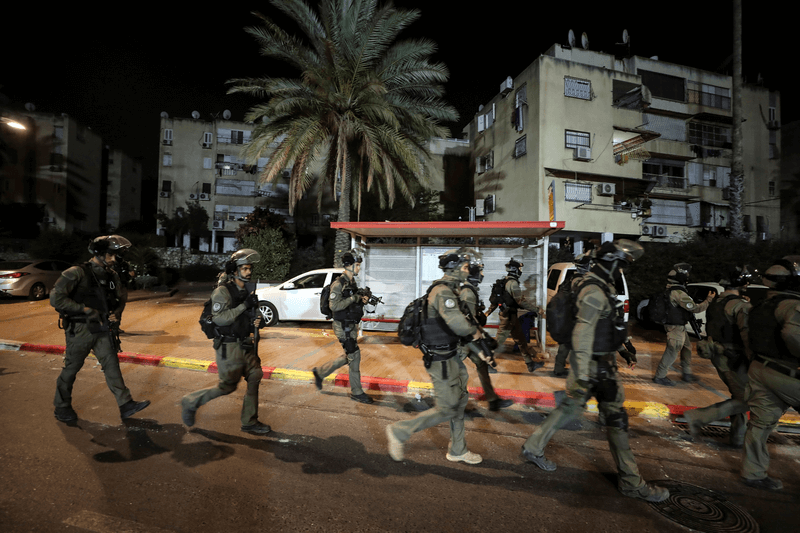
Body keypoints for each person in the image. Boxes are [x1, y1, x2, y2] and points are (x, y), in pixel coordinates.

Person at [521, 240, 669, 503]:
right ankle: (631, 482)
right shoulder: (594, 291)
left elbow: (606, 327)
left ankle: (533, 447)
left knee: (573, 409)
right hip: (594, 367)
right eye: (621, 266)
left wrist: (623, 351)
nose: (622, 272)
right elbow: (583, 334)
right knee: (614, 419)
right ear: (611, 264)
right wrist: (582, 375)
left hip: (600, 363)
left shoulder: (597, 286)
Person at [386, 249, 492, 464]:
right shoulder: (442, 292)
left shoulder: (453, 291)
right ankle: (399, 431)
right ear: (453, 269)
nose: (468, 271)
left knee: (460, 402)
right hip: (440, 360)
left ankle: (458, 450)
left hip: (452, 357)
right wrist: (476, 332)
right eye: (465, 267)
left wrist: (481, 350)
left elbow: (461, 327)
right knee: (446, 409)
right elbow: (459, 325)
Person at [51, 235, 150, 422]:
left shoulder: (111, 275)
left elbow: (120, 297)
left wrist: (116, 313)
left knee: (111, 364)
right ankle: (61, 406)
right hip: (80, 329)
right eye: (110, 255)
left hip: (103, 328)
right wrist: (85, 309)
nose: (114, 259)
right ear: (99, 253)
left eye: (116, 255)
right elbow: (56, 299)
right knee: (71, 368)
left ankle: (126, 404)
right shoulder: (76, 272)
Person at [181, 248, 270, 436]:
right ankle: (191, 401)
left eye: (250, 268)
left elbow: (254, 314)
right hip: (228, 346)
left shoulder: (247, 291)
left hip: (246, 344)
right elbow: (220, 319)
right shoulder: (222, 292)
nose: (249, 272)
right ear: (234, 270)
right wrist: (244, 306)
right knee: (227, 386)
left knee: (255, 375)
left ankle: (249, 421)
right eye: (244, 268)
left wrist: (258, 320)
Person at [740, 255, 800, 491]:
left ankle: (753, 473)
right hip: (788, 373)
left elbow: (748, 338)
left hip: (760, 369)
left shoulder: (761, 306)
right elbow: (793, 335)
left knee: (760, 424)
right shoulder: (793, 305)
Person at [687, 266, 753, 448]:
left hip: (718, 354)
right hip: (734, 358)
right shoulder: (740, 306)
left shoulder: (717, 302)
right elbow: (748, 337)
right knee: (748, 399)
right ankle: (698, 417)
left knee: (739, 395)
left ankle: (738, 438)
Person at [312, 251, 374, 404]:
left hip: (350, 325)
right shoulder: (338, 284)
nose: (359, 268)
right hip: (342, 327)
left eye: (359, 265)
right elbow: (334, 306)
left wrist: (362, 300)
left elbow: (352, 304)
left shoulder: (352, 283)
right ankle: (357, 392)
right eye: (357, 265)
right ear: (348, 266)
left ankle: (320, 373)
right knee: (355, 356)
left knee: (350, 356)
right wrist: (354, 298)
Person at [459, 248, 513, 411]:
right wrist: (483, 339)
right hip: (462, 341)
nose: (482, 274)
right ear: (473, 273)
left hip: (469, 339)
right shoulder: (467, 293)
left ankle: (492, 400)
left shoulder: (471, 290)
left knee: (482, 364)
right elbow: (469, 322)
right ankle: (457, 406)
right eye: (480, 271)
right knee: (457, 373)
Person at [652, 263, 715, 386]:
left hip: (678, 326)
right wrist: (708, 300)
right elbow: (694, 308)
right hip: (675, 327)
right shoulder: (678, 293)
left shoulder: (672, 290)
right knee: (672, 350)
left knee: (687, 347)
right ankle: (660, 376)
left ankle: (686, 373)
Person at [485, 258, 545, 372]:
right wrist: (537, 310)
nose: (520, 271)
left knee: (521, 340)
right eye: (519, 268)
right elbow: (521, 301)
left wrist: (488, 311)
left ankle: (530, 364)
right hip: (508, 318)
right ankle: (485, 364)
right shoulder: (513, 283)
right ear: (515, 270)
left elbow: (496, 300)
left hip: (510, 316)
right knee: (497, 343)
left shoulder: (504, 281)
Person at [552, 252, 593, 378]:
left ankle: (558, 368)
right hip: (576, 316)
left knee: (565, 344)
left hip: (567, 315)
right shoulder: (580, 281)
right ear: (586, 265)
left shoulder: (570, 278)